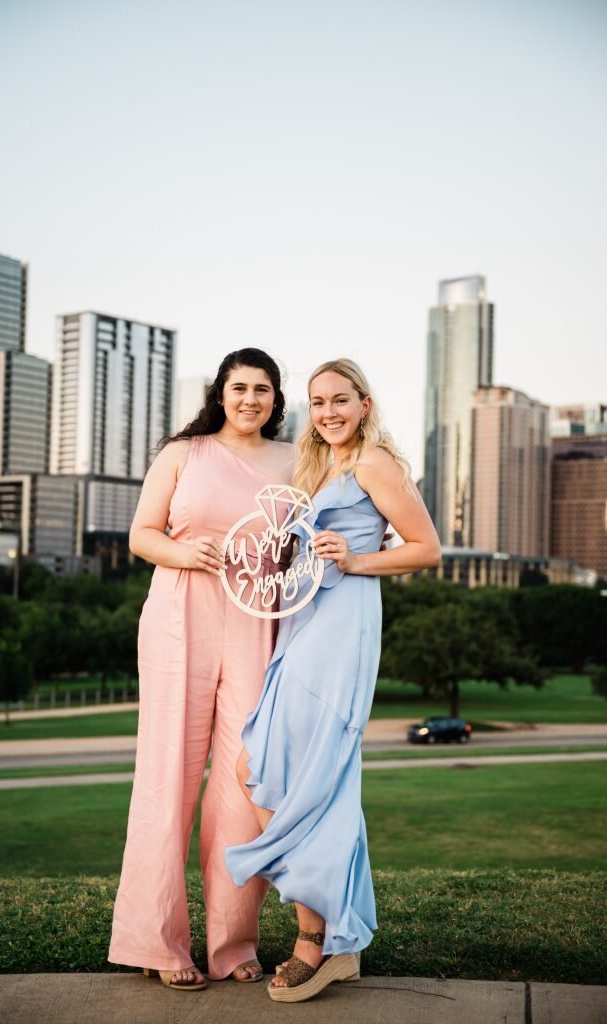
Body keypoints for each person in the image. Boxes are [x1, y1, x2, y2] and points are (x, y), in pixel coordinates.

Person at [225, 358, 441, 1003]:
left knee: (294, 773)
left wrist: (356, 557)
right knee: (265, 768)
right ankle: (329, 935)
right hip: (304, 621)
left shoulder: (375, 463)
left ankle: (314, 942)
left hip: (344, 622)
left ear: (365, 404)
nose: (328, 413)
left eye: (340, 401)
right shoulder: (319, 467)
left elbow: (426, 547)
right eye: (318, 403)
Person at [109, 348, 293, 990]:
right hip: (179, 615)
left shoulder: (295, 460)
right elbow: (140, 535)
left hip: (257, 623)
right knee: (168, 776)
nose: (250, 399)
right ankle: (158, 945)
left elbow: (309, 537)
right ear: (220, 392)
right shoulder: (182, 453)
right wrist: (186, 551)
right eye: (240, 387)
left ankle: (233, 945)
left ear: (276, 399)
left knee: (248, 780)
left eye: (263, 389)